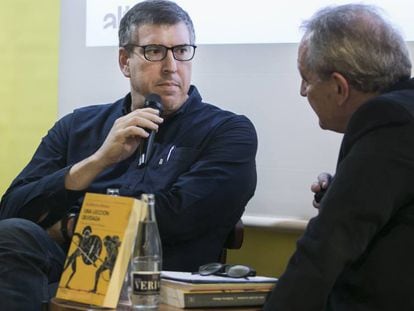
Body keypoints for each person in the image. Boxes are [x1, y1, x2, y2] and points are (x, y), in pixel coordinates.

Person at [0, 0, 257, 309]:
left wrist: (70, 226)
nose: (171, 66)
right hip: (63, 276)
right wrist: (97, 162)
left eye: (181, 51)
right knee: (13, 235)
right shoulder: (77, 126)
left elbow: (175, 218)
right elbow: (11, 209)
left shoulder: (227, 132)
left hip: (158, 285)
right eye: (154, 52)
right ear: (125, 61)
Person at [264, 4, 414, 311]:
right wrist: (342, 188)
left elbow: (327, 246)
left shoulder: (387, 119)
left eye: (306, 78)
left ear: (339, 87)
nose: (302, 91)